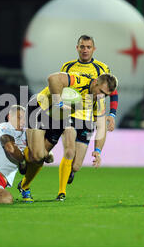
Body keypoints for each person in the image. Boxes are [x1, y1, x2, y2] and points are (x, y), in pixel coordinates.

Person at [19, 71, 117, 201]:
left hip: (57, 117)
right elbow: (52, 78)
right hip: (40, 108)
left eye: (106, 95)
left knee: (41, 157)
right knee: (37, 156)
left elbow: (101, 126)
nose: (102, 96)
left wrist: (98, 151)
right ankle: (24, 157)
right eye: (101, 91)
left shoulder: (98, 101)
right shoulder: (79, 81)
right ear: (95, 82)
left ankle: (26, 180)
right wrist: (58, 101)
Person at [60, 34, 117, 185]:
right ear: (77, 48)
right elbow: (61, 87)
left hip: (91, 116)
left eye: (88, 47)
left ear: (94, 49)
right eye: (82, 47)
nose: (85, 50)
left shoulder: (102, 68)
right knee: (70, 149)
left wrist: (112, 114)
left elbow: (113, 91)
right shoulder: (67, 67)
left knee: (77, 166)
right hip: (71, 114)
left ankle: (71, 171)